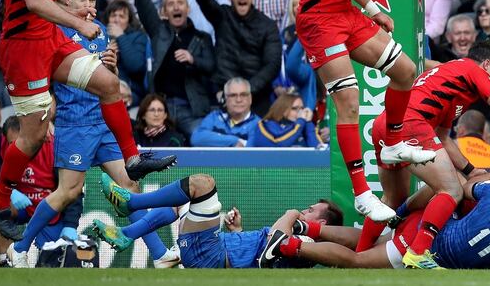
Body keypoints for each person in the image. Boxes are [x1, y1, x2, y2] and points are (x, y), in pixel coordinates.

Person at [0, 0, 175, 243]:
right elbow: (35, 1)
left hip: (49, 42)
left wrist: (74, 14)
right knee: (33, 137)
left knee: (108, 83)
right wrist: (79, 23)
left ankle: (132, 158)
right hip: (24, 50)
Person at [4, 0, 178, 268]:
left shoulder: (99, 33)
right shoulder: (54, 32)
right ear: (67, 1)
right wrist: (45, 116)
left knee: (129, 188)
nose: (88, 5)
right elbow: (41, 80)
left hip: (103, 124)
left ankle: (159, 255)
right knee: (68, 192)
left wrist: (113, 67)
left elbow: (109, 82)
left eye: (92, 0)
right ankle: (20, 248)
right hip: (74, 124)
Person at [296, 0, 434, 223]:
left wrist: (372, 10)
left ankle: (393, 143)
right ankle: (361, 192)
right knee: (350, 103)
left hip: (345, 15)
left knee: (405, 71)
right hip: (320, 24)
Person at [359, 41, 490, 269]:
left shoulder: (454, 84)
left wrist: (470, 169)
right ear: (486, 64)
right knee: (451, 190)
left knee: (392, 200)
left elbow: (443, 138)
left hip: (385, 124)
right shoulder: (471, 69)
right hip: (409, 124)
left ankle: (358, 256)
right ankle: (418, 252)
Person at [271, 175, 490, 270]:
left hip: (428, 222)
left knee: (450, 184)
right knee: (356, 261)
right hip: (428, 248)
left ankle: (305, 228)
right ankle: (288, 245)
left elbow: (466, 186)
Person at [92, 171, 343, 268]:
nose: (304, 211)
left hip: (212, 255)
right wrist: (238, 231)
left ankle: (130, 207)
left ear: (321, 225)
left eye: (311, 210)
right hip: (216, 252)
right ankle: (134, 237)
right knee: (182, 203)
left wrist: (290, 214)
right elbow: (262, 256)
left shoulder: (309, 243)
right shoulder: (300, 240)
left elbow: (274, 241)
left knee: (202, 184)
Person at [0, 116, 81, 268]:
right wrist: (10, 193)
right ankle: (6, 261)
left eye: (20, 144)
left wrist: (70, 225)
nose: (16, 149)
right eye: (12, 144)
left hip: (49, 210)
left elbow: (72, 190)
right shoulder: (0, 144)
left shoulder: (56, 146)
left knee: (52, 263)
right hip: (20, 207)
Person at [135, 0, 215, 137]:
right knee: (152, 142)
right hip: (161, 108)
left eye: (180, 3)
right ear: (164, 11)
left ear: (188, 9)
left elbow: (211, 66)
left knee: (200, 138)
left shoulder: (202, 38)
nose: (176, 7)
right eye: (171, 4)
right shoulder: (158, 31)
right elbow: (142, 3)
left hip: (192, 109)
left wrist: (193, 60)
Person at [194, 0, 282, 116]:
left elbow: (272, 64)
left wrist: (246, 90)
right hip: (224, 93)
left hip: (257, 95)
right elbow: (204, 0)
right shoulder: (221, 16)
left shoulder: (268, 25)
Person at [191, 77, 260, 147]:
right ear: (225, 99)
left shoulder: (258, 125)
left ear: (250, 98)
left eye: (243, 95)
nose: (238, 100)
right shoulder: (214, 117)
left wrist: (216, 140)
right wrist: (235, 141)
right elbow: (196, 138)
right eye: (233, 95)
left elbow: (250, 152)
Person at [104, 0, 148, 106]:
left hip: (132, 93)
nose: (117, 20)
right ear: (108, 19)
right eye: (113, 16)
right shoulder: (99, 38)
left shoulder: (138, 37)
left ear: (129, 20)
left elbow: (135, 65)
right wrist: (107, 53)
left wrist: (121, 36)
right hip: (104, 91)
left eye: (122, 16)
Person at [247, 93, 323, 148]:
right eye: (295, 108)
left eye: (302, 108)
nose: (300, 112)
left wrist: (308, 123)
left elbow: (318, 149)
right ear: (282, 110)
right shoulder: (264, 126)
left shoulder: (302, 125)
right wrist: (300, 122)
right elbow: (279, 143)